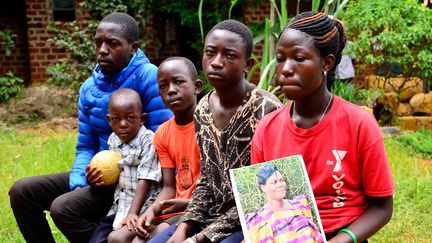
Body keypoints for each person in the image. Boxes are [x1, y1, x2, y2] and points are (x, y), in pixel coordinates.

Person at [8, 12, 172, 243]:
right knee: (23, 191)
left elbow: (161, 142)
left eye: (112, 44)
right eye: (98, 42)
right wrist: (79, 183)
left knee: (64, 208)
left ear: (133, 48)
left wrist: (119, 168)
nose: (102, 50)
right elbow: (86, 145)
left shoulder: (150, 78)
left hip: (137, 179)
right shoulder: (88, 88)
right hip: (100, 177)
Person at [250, 11, 394, 243]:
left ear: (326, 63)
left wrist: (342, 239)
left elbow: (382, 208)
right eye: (280, 58)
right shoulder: (267, 127)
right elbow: (264, 204)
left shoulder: (359, 123)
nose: (285, 68)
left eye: (298, 58)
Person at [152, 20, 282, 243]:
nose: (216, 63)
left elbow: (266, 192)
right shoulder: (202, 109)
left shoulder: (266, 110)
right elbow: (207, 181)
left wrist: (200, 238)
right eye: (210, 53)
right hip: (210, 216)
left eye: (229, 56)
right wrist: (184, 227)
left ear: (247, 64)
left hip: (255, 218)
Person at [108, 57, 203, 242]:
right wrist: (150, 211)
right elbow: (169, 187)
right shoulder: (162, 134)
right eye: (163, 86)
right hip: (171, 208)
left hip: (197, 210)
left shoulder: (210, 126)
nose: (171, 90)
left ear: (197, 87)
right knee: (117, 238)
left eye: (178, 82)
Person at [89, 88, 162, 243]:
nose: (122, 124)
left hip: (142, 208)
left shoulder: (148, 140)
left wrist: (132, 213)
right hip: (119, 206)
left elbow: (146, 179)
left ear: (142, 119)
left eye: (129, 118)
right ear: (109, 120)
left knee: (120, 239)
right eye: (116, 119)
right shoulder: (113, 140)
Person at [245, 164, 324, 243]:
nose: (280, 185)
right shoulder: (258, 221)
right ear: (263, 187)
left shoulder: (300, 204)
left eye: (281, 180)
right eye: (274, 182)